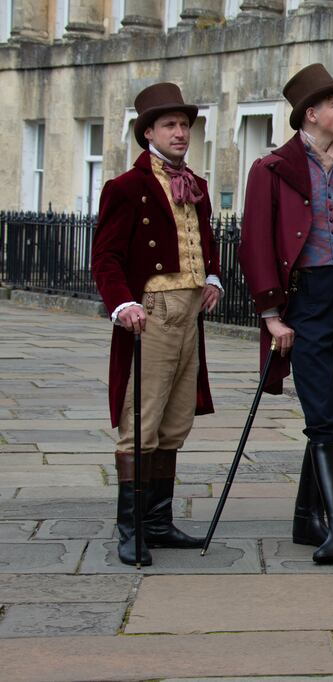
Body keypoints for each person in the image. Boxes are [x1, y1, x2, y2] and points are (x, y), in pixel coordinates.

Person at [238, 64, 333, 564]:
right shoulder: (271, 169)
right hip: (305, 301)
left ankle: (307, 518)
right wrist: (271, 315)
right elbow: (255, 243)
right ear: (312, 114)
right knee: (321, 416)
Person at [91, 82, 223, 566]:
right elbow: (104, 256)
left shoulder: (196, 185)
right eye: (170, 125)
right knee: (141, 422)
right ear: (148, 132)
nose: (180, 132)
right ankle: (131, 530)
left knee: (174, 423)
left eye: (185, 125)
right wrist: (122, 303)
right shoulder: (125, 188)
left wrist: (213, 276)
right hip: (153, 312)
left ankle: (158, 523)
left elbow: (206, 243)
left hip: (190, 313)